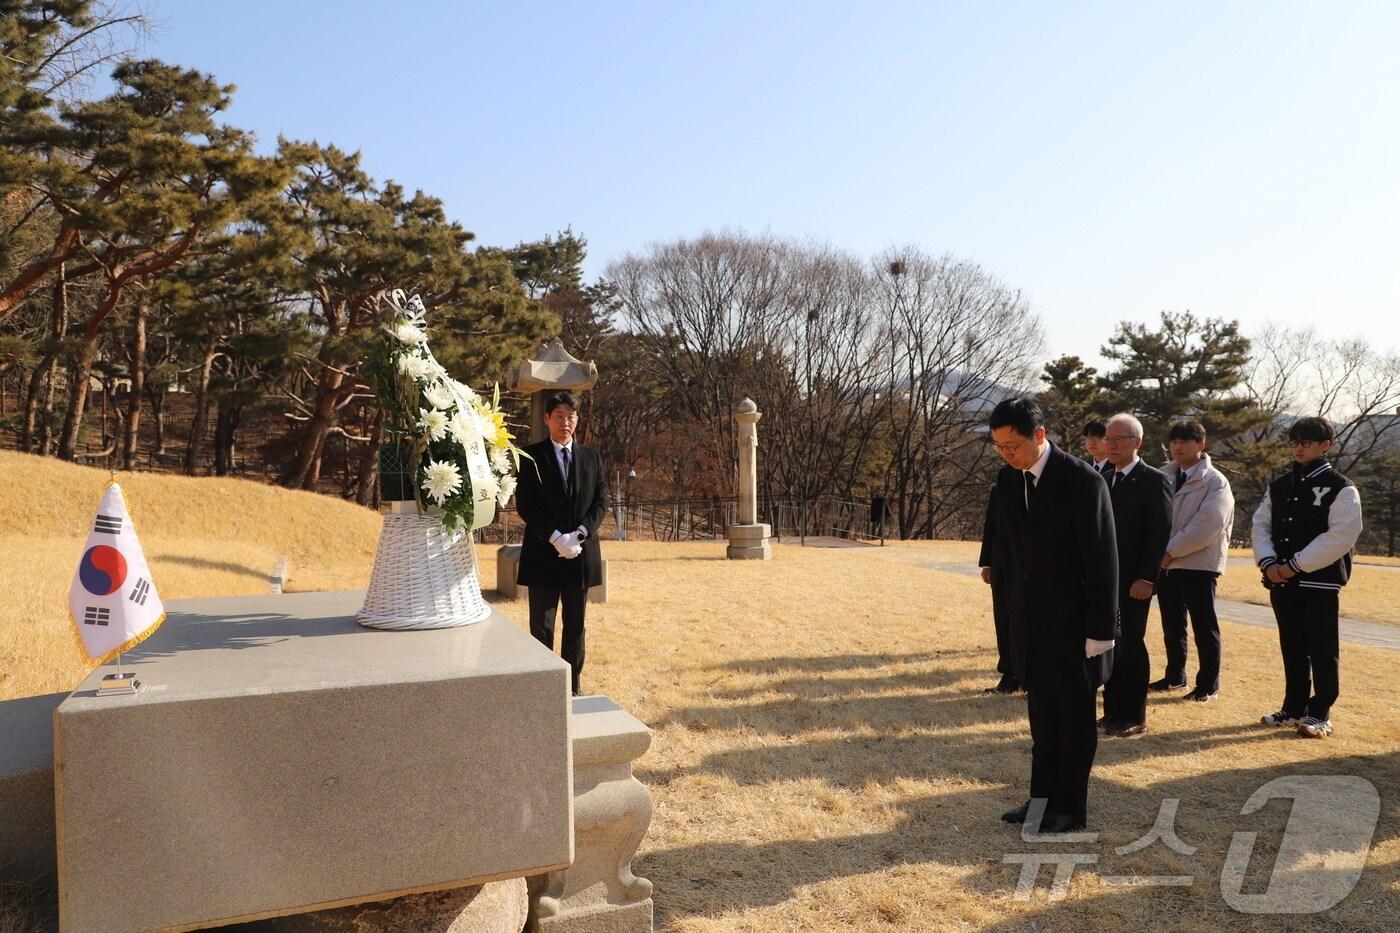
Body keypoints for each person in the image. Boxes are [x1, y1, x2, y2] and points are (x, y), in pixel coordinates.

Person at [987, 398, 1118, 834]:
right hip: (1031, 624)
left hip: (1076, 625)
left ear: (1039, 436)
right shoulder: (1008, 482)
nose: (1007, 454)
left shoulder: (1082, 481)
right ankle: (1040, 800)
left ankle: (1070, 808)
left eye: (1013, 445)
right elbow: (1010, 558)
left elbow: (1103, 561)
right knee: (1042, 721)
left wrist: (1101, 632)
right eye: (999, 447)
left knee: (1075, 722)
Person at [1253, 417, 1362, 738]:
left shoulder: (1341, 487)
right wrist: (1269, 562)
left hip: (1319, 581)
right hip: (1281, 579)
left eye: (1306, 442)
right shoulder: (1281, 484)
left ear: (1324, 445)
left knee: (1322, 647)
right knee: (1293, 645)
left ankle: (1320, 713)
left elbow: (1342, 535)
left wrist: (1295, 565)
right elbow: (1260, 525)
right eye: (1294, 442)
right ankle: (1294, 707)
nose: (1298, 448)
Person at [515, 391, 607, 696]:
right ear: (547, 419)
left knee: (575, 625)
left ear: (577, 419)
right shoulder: (531, 457)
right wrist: (555, 537)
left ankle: (571, 687)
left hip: (580, 554)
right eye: (558, 416)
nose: (565, 422)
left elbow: (600, 503)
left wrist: (578, 535)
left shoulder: (591, 457)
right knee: (542, 625)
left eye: (570, 416)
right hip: (543, 553)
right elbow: (526, 505)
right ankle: (542, 688)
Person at [1099, 414, 1172, 738]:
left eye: (1119, 439)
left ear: (1137, 443)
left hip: (1135, 581)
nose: (1111, 445)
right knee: (1110, 645)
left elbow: (1159, 535)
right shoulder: (1105, 478)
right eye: (1108, 439)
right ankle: (1112, 712)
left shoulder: (1153, 480)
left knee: (1132, 644)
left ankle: (1134, 715)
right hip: (1108, 579)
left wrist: (1147, 578)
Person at [1155, 421, 1234, 701]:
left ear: (1201, 446)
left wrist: (1169, 550)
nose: (1177, 447)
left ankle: (1208, 684)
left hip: (1199, 564)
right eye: (1174, 442)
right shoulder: (1163, 475)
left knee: (1204, 626)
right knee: (1172, 624)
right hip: (1167, 564)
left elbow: (1207, 525)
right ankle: (1175, 675)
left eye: (1184, 442)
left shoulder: (1216, 482)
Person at [978, 486, 1019, 694]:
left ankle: (1031, 676)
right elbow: (991, 525)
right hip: (1002, 563)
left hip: (1033, 568)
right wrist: (987, 562)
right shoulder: (1004, 482)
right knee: (1004, 620)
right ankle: (1010, 676)